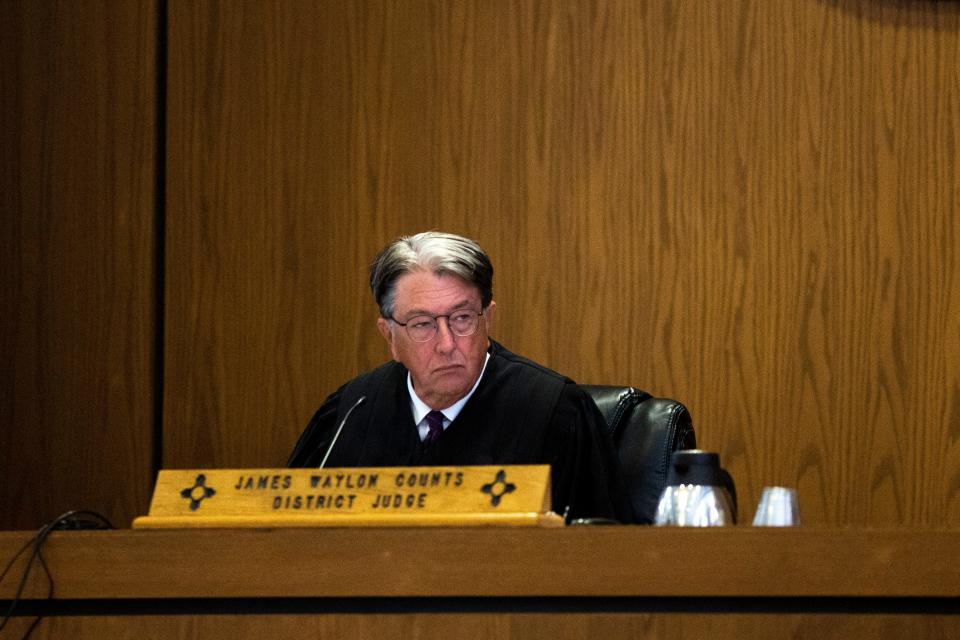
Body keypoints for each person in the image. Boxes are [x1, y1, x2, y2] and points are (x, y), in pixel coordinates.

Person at [287, 231, 633, 523]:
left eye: (462, 318)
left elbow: (602, 556)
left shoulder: (555, 412)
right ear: (390, 336)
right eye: (422, 324)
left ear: (488, 319)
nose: (447, 344)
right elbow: (289, 538)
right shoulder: (351, 411)